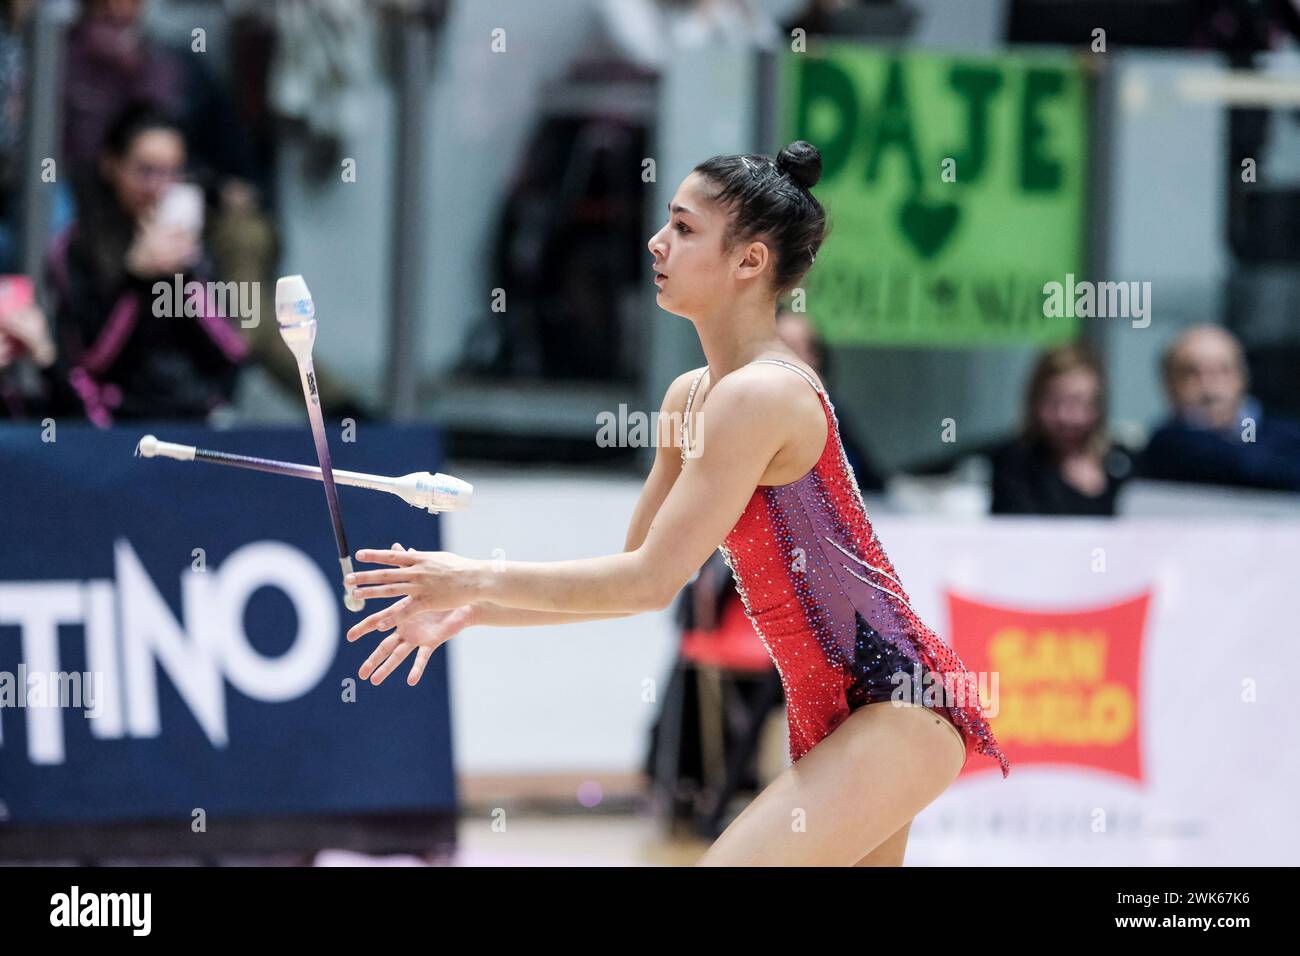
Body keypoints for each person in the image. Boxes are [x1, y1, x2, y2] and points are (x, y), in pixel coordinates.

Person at [343, 141, 1010, 867]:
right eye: (669, 223)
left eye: (686, 229)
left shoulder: (762, 394)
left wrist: (474, 577)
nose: (658, 242)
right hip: (849, 717)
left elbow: (650, 580)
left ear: (749, 262)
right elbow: (632, 580)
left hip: (895, 708)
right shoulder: (690, 397)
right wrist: (473, 609)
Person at [45, 101, 247, 424]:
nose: (159, 188)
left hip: (195, 417)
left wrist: (185, 278)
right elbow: (88, 364)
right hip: (113, 425)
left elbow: (231, 353)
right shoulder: (76, 247)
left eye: (172, 172)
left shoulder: (194, 245)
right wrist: (136, 279)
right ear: (111, 165)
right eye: (146, 171)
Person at [1138, 324, 1300, 491]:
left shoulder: (1287, 433)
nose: (1209, 386)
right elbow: (1247, 465)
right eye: (1191, 373)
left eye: (1223, 370)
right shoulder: (1166, 443)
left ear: (1242, 377)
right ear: (1168, 384)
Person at [989, 342, 1135, 516]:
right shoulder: (1015, 465)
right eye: (1054, 403)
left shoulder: (1126, 464)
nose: (1064, 416)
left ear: (1098, 405)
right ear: (1034, 402)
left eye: (1077, 402)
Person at [775, 306, 886, 491]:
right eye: (777, 349)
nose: (780, 359)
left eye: (791, 349)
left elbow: (860, 479)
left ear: (815, 358)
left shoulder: (828, 410)